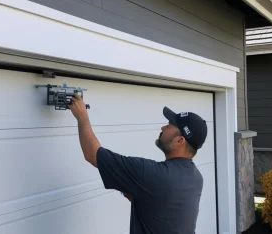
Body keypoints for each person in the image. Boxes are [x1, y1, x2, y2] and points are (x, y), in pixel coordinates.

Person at [69, 93, 208, 234]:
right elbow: (163, 208)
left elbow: (93, 154)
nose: (163, 128)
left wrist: (82, 116)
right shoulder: (196, 177)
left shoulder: (152, 175)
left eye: (169, 125)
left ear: (180, 140)